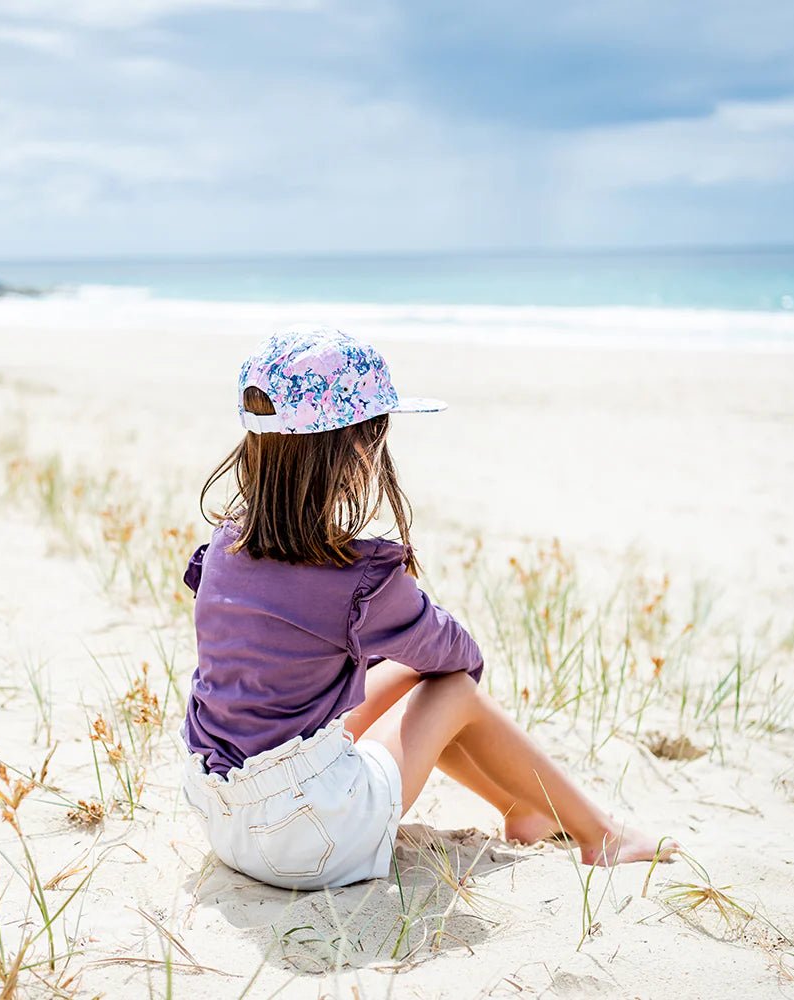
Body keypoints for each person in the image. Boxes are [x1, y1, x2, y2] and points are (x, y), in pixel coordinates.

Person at [180, 327, 677, 890]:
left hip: (223, 816)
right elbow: (458, 655)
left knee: (407, 676)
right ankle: (602, 836)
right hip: (308, 838)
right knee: (451, 687)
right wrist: (430, 676)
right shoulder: (357, 577)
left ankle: (526, 811)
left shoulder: (226, 546)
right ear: (360, 448)